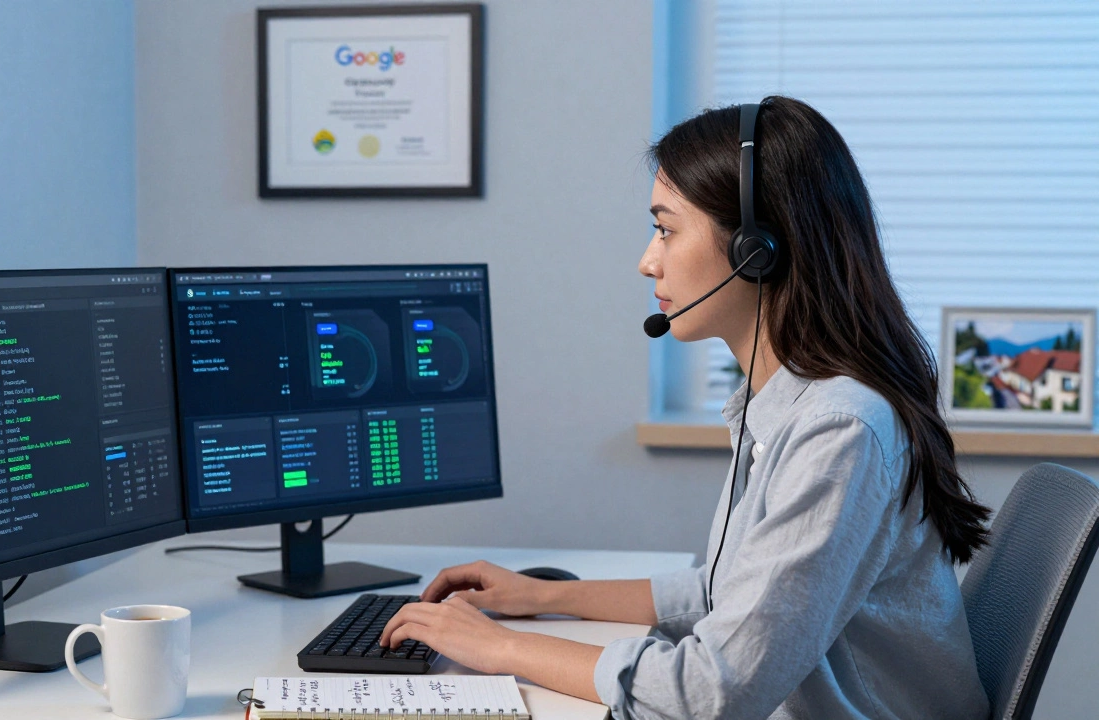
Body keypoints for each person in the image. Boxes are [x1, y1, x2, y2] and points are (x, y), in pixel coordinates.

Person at [379, 96, 993, 719]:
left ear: (757, 250)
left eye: (667, 229)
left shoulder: (839, 429)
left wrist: (501, 647)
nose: (648, 260)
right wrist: (535, 594)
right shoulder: (784, 404)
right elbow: (723, 590)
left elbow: (709, 694)